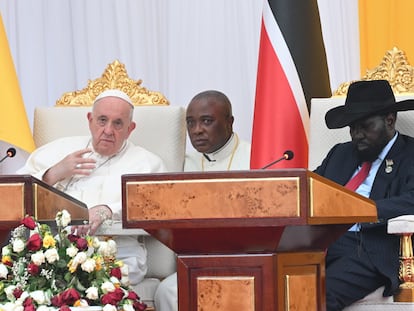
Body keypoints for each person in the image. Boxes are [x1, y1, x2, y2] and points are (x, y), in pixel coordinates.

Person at [17, 89, 166, 288]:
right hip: (52, 253)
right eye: (102, 120)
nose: (108, 130)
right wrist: (53, 173)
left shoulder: (148, 163)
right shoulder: (58, 150)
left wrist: (108, 210)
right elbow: (14, 189)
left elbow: (157, 204)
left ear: (130, 128)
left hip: (118, 254)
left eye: (118, 123)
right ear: (90, 120)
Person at [314, 80, 414, 310]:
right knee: (274, 281)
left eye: (364, 126)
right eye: (352, 128)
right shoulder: (340, 153)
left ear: (390, 120)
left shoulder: (410, 154)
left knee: (316, 294)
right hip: (321, 244)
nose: (356, 135)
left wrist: (361, 209)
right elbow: (313, 189)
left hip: (372, 248)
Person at [154, 90, 251, 311]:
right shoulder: (181, 165)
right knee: (168, 290)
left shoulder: (256, 158)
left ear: (230, 122)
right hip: (197, 262)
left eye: (207, 121)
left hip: (246, 261)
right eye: (191, 123)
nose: (197, 130)